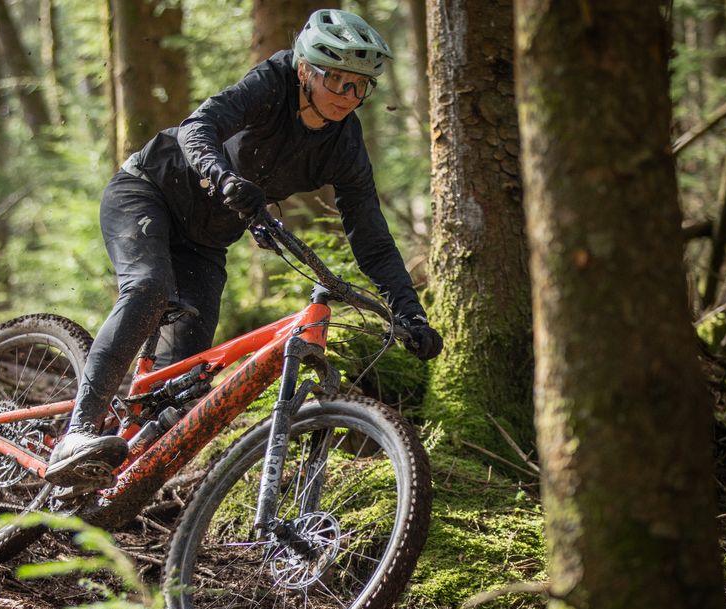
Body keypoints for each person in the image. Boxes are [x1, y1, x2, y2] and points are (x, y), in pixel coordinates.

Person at [45, 8, 442, 487]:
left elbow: (371, 234)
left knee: (184, 391)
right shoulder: (271, 83)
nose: (348, 95)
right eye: (337, 79)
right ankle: (78, 432)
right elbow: (199, 127)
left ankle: (116, 483)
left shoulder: (344, 143)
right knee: (148, 288)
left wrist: (409, 310)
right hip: (147, 191)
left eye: (360, 86)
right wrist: (222, 178)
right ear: (304, 69)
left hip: (206, 242)